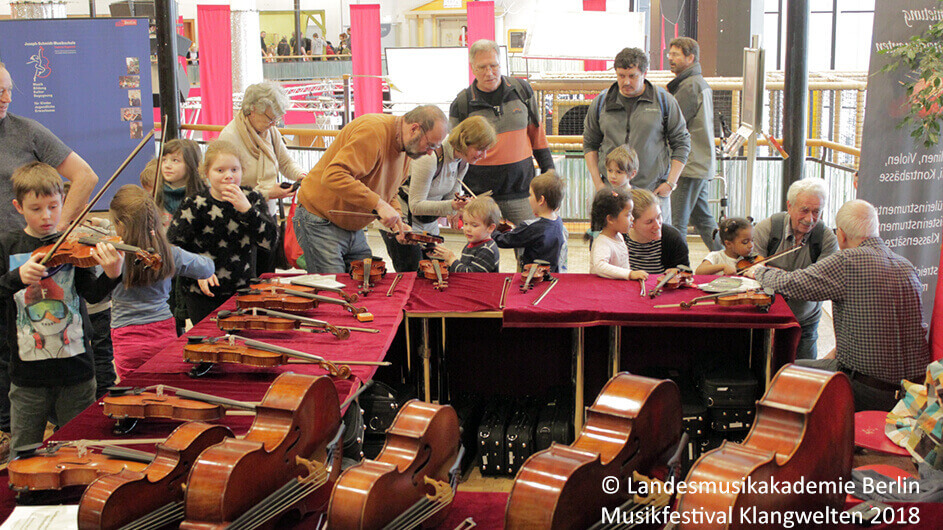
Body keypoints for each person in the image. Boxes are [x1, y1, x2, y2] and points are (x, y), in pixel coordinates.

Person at [744, 200, 930, 411]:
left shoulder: (847, 261)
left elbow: (793, 283)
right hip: (915, 390)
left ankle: (802, 439)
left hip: (867, 389)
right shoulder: (906, 265)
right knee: (817, 364)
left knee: (784, 373)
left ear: (840, 235)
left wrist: (759, 271)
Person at [0, 162, 123, 450]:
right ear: (19, 207)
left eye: (54, 207)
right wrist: (16, 277)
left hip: (76, 369)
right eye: (36, 208)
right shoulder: (8, 245)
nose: (47, 216)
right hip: (27, 375)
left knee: (79, 448)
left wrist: (113, 274)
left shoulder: (74, 243)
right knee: (24, 450)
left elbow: (92, 295)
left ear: (63, 202)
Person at [293, 105, 449, 273]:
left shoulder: (407, 149)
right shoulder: (373, 131)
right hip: (320, 220)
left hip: (352, 226)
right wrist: (380, 205)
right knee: (333, 289)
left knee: (366, 281)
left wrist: (398, 225)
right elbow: (334, 175)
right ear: (414, 129)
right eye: (430, 145)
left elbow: (390, 192)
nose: (429, 153)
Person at [167, 140, 277, 326]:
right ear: (207, 173)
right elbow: (172, 247)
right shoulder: (195, 203)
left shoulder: (252, 198)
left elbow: (269, 242)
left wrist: (247, 211)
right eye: (220, 170)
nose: (229, 176)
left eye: (235, 170)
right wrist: (197, 271)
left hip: (243, 291)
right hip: (202, 292)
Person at [108, 186, 214, 378]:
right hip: (162, 331)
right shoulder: (169, 253)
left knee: (131, 394)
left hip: (126, 337)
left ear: (120, 224)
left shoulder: (113, 256)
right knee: (164, 390)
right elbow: (207, 267)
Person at [450, 40, 554, 228]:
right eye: (482, 67)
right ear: (472, 67)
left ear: (501, 63)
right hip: (480, 196)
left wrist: (550, 172)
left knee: (530, 247)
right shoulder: (462, 103)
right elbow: (454, 154)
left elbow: (537, 134)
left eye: (494, 65)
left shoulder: (522, 91)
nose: (489, 72)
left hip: (523, 192)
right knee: (480, 250)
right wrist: (451, 197)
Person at [583, 47, 690, 223]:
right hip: (612, 193)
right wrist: (599, 185)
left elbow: (682, 142)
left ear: (644, 73)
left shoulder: (664, 101)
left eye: (632, 76)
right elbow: (589, 143)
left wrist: (670, 183)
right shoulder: (602, 102)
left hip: (652, 192)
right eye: (621, 76)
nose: (626, 82)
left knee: (656, 245)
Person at [381, 116, 497, 272]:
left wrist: (458, 209)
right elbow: (415, 206)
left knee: (436, 272)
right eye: (480, 149)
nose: (483, 155)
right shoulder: (430, 158)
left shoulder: (463, 161)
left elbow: (452, 195)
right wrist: (452, 206)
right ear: (464, 142)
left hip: (428, 223)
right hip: (402, 221)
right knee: (412, 275)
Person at [0, 62, 98, 234]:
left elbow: (86, 176)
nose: (8, 99)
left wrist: (59, 225)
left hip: (23, 253)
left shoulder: (28, 132)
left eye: (9, 90)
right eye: (1, 91)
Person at [752, 178, 839, 361]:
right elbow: (751, 271)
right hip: (766, 317)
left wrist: (772, 276)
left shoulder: (827, 238)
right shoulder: (767, 228)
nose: (810, 219)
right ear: (789, 206)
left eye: (817, 212)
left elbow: (820, 286)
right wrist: (799, 280)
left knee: (805, 373)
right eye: (804, 210)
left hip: (805, 321)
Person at [667, 37, 720, 251]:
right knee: (703, 219)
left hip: (688, 166)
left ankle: (678, 266)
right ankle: (728, 259)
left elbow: (672, 123)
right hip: (700, 163)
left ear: (690, 58)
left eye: (676, 55)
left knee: (676, 223)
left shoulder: (688, 86)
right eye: (669, 54)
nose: (670, 58)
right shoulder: (698, 82)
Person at [493, 170, 567, 273]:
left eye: (530, 194)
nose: (528, 198)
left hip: (533, 277)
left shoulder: (533, 228)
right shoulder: (558, 222)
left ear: (541, 200)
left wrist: (490, 230)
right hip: (553, 275)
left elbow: (504, 241)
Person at [429, 196, 502, 273]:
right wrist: (447, 262)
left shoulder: (487, 250)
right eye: (466, 223)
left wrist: (452, 261)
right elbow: (464, 267)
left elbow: (470, 276)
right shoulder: (472, 243)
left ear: (490, 228)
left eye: (474, 225)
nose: (467, 229)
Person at [589, 190, 648, 282]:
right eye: (628, 215)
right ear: (611, 219)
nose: (632, 218)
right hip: (603, 289)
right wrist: (629, 274)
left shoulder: (619, 236)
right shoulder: (602, 242)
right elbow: (599, 266)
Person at [626, 189, 689, 274]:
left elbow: (686, 273)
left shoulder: (673, 238)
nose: (658, 226)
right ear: (632, 223)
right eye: (649, 222)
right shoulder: (618, 238)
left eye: (659, 216)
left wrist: (679, 273)